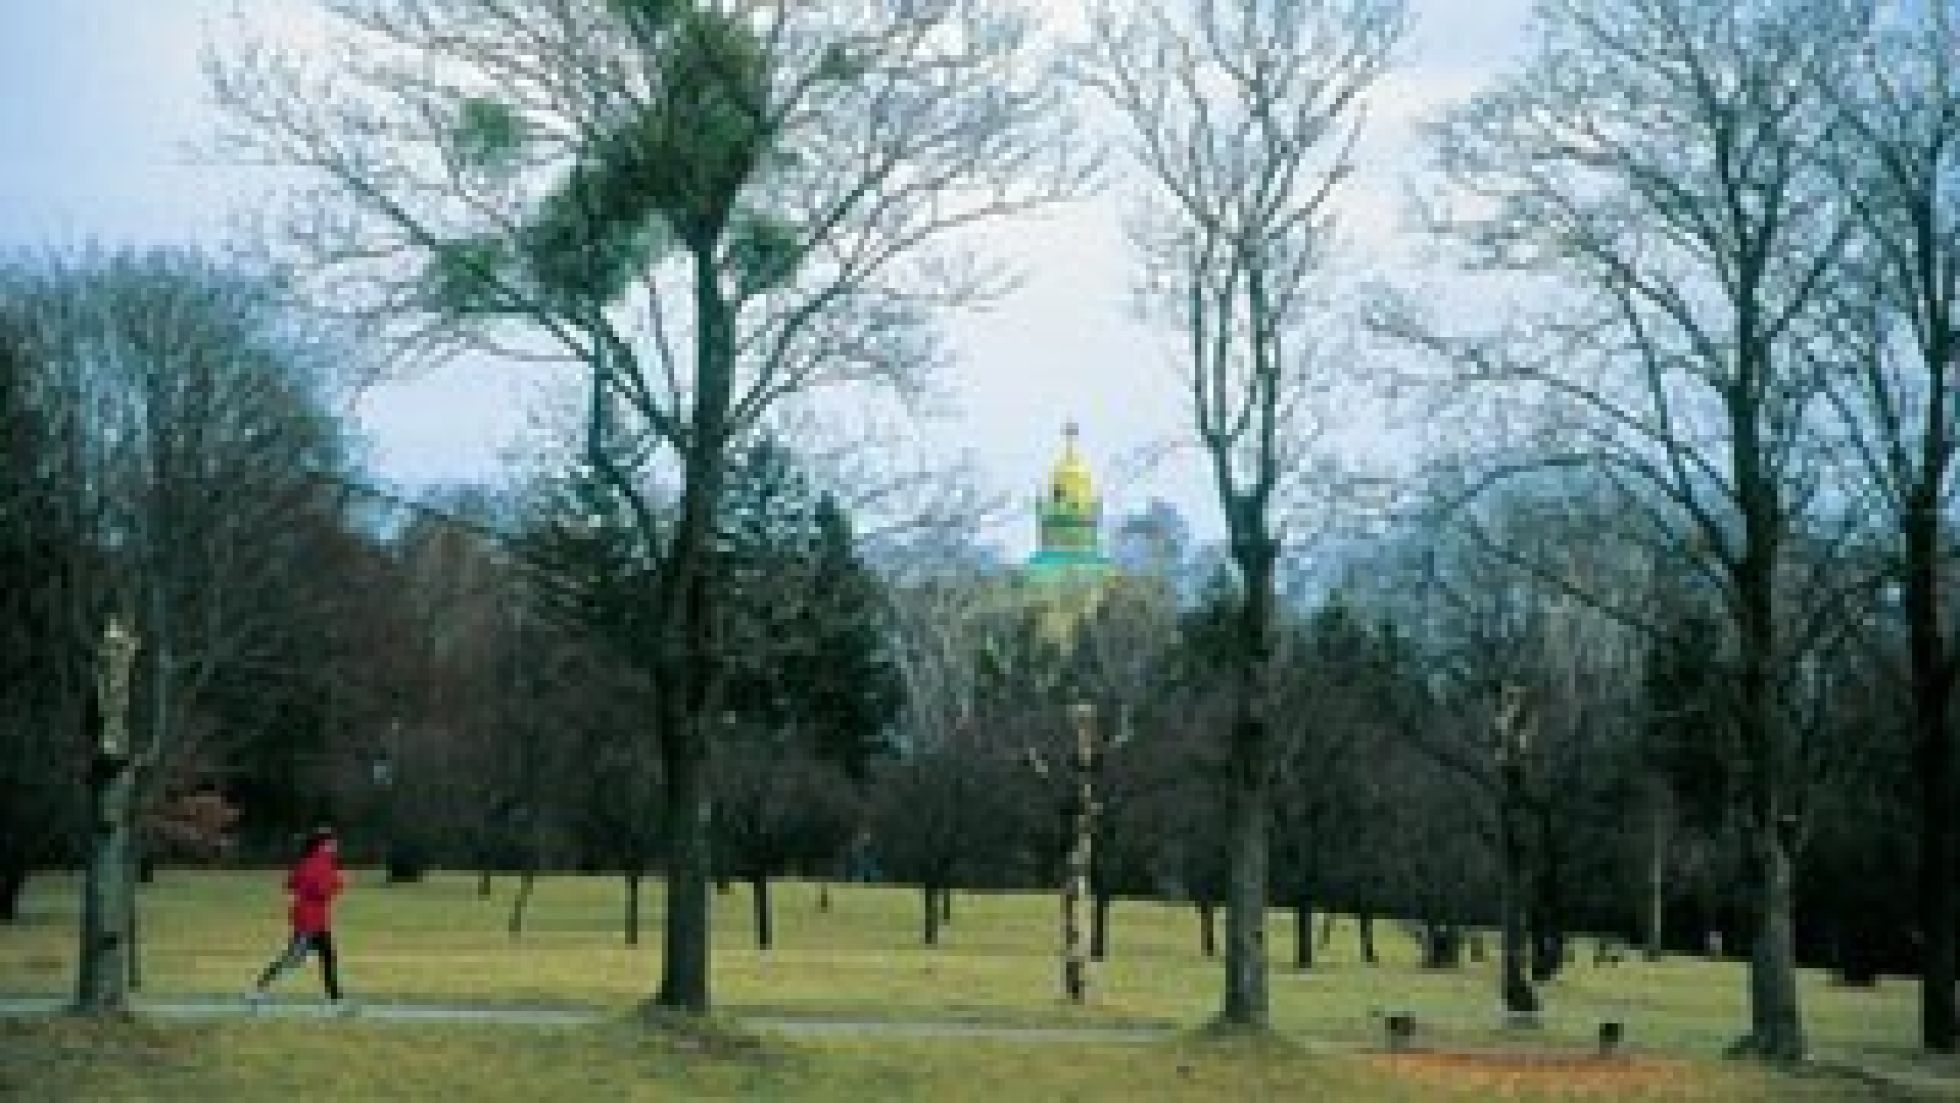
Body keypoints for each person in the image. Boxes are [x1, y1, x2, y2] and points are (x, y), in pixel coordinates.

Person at [247, 826, 350, 1014]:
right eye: (332, 843)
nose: (336, 846)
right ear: (323, 845)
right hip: (310, 921)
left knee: (327, 957)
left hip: (314, 919)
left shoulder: (309, 862)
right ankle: (258, 990)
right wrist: (338, 883)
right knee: (294, 958)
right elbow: (322, 891)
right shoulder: (322, 864)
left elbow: (291, 884)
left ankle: (336, 999)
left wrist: (329, 883)